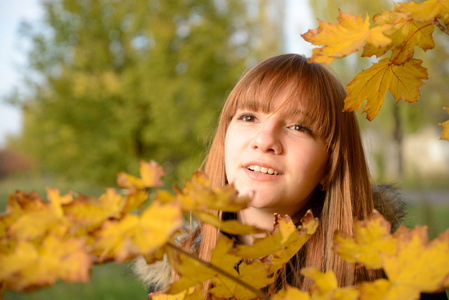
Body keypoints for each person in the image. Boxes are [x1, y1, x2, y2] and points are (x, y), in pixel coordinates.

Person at [134, 54, 446, 299]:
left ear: (330, 165)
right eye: (249, 116)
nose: (265, 139)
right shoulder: (179, 274)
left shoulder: (398, 277)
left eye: (299, 127)